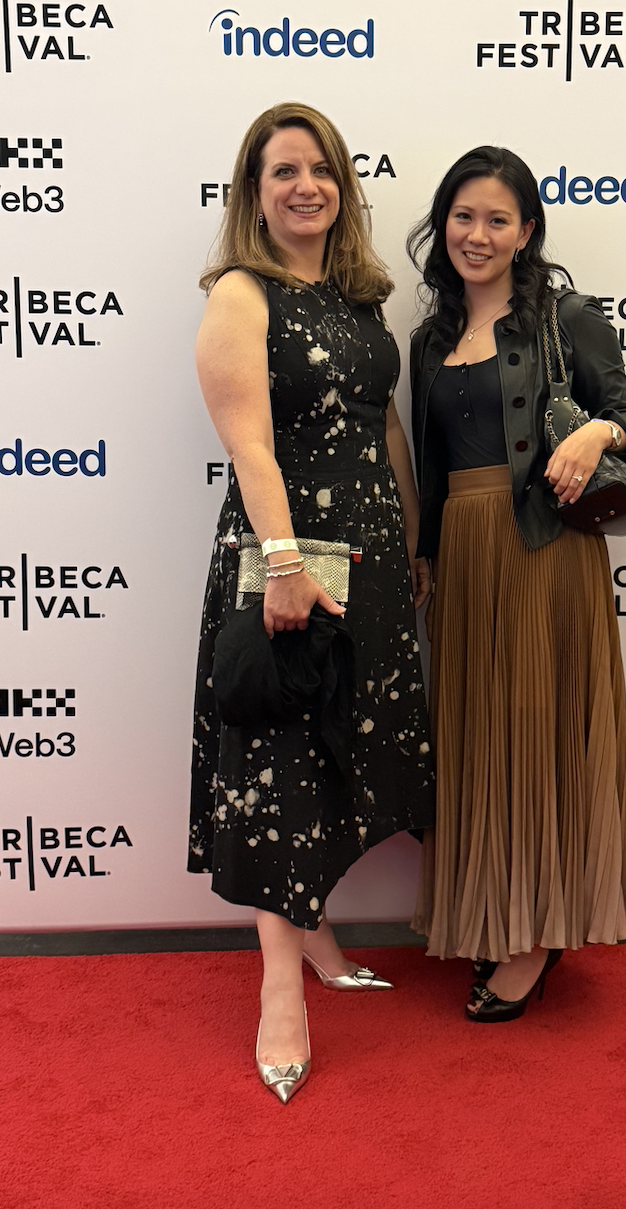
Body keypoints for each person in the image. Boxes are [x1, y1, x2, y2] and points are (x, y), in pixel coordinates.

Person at [190, 102, 435, 1102]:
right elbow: (249, 441)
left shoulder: (357, 300)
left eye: (322, 168)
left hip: (368, 560)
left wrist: (411, 542)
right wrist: (285, 562)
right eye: (284, 170)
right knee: (282, 759)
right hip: (289, 557)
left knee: (342, 751)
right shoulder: (240, 294)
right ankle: (280, 990)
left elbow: (386, 432)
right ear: (254, 193)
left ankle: (320, 935)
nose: (306, 186)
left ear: (344, 186)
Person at [407, 146, 626, 1022]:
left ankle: (538, 936)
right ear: (444, 226)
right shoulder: (428, 339)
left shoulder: (568, 318)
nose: (477, 235)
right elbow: (430, 466)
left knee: (539, 732)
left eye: (497, 219)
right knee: (479, 737)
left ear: (527, 231)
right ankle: (494, 912)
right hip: (466, 559)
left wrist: (595, 436)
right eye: (463, 217)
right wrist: (425, 555)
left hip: (547, 551)